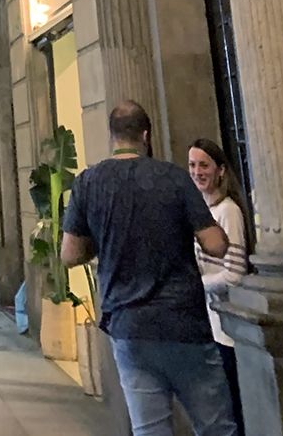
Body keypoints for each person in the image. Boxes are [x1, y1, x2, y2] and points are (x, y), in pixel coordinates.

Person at [62, 102, 235, 436]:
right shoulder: (173, 178)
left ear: (112, 136)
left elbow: (70, 254)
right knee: (216, 427)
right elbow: (216, 244)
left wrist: (106, 240)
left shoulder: (88, 183)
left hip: (129, 327)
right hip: (183, 323)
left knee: (149, 430)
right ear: (145, 135)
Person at [189, 138, 250, 435]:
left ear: (220, 171)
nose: (197, 172)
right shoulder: (201, 212)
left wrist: (193, 284)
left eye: (204, 165)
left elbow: (234, 273)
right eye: (192, 165)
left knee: (230, 411)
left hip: (225, 330)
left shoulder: (228, 212)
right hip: (208, 324)